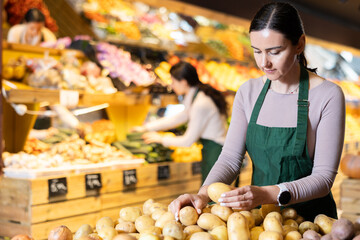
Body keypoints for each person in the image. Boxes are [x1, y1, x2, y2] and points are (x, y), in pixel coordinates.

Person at [168, 2, 345, 222]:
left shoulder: (327, 95)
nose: (264, 62)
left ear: (299, 44)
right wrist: (203, 194)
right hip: (261, 222)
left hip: (314, 223)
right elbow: (231, 159)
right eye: (257, 51)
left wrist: (267, 194)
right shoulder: (248, 92)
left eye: (275, 51)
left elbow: (324, 177)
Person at [133, 61, 228, 183]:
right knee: (209, 192)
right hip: (211, 150)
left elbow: (188, 141)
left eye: (173, 81)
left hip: (216, 152)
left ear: (183, 82)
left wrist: (161, 139)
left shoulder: (200, 103)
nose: (171, 85)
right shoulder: (194, 95)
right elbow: (179, 118)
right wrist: (147, 128)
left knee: (212, 194)